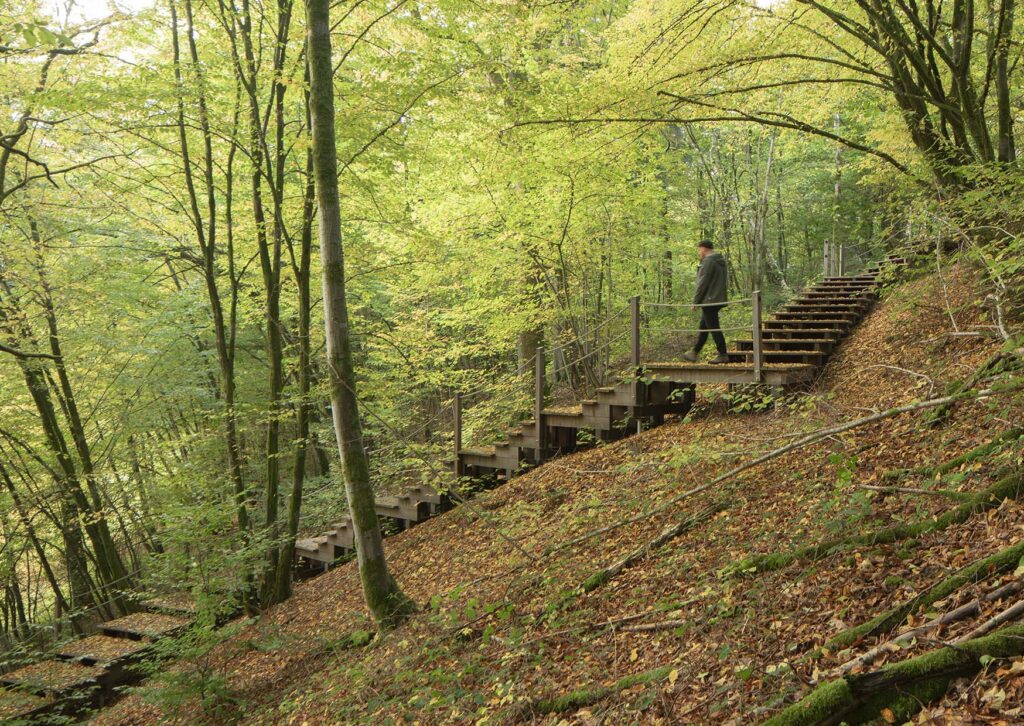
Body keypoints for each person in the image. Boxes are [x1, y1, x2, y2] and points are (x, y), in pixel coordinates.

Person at [682, 240, 730, 364]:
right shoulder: (720, 261)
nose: (699, 252)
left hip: (709, 300)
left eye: (699, 250)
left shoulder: (708, 261)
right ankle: (694, 352)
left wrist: (695, 301)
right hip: (717, 298)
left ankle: (723, 354)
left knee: (713, 327)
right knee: (704, 326)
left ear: (703, 248)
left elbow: (702, 283)